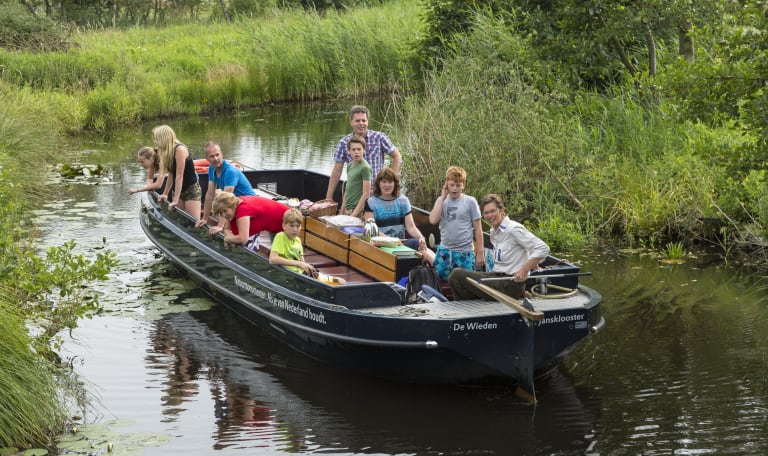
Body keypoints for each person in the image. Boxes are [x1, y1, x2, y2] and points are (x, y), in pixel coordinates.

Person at [448, 194, 550, 301]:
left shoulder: (513, 229)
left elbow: (542, 248)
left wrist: (524, 270)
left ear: (502, 210)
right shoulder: (494, 231)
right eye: (486, 213)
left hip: (510, 284)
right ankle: (470, 308)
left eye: (493, 211)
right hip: (498, 278)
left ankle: (468, 309)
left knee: (457, 275)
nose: (490, 215)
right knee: (460, 279)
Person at [325, 105, 402, 201]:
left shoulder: (379, 138)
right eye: (357, 121)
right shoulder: (343, 143)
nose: (361, 123)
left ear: (367, 122)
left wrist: (390, 181)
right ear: (351, 122)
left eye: (364, 120)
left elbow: (397, 156)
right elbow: (337, 171)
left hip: (377, 192)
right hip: (355, 193)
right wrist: (329, 197)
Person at [364, 167, 435, 265]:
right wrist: (393, 241)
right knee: (417, 245)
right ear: (379, 184)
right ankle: (442, 271)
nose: (387, 185)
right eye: (384, 182)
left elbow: (411, 227)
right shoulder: (371, 202)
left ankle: (439, 270)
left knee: (421, 245)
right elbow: (373, 231)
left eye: (390, 182)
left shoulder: (403, 201)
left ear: (395, 184)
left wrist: (421, 237)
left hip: (401, 244)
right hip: (381, 246)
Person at [428, 166, 485, 280]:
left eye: (458, 185)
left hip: (465, 253)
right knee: (438, 280)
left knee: (465, 283)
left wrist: (480, 252)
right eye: (452, 185)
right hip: (445, 252)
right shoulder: (441, 201)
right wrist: (442, 198)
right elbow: (433, 220)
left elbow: (478, 229)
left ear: (463, 185)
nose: (454, 189)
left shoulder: (470, 202)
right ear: (446, 185)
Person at [195, 141, 256, 229]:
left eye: (217, 155)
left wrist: (220, 226)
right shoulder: (212, 168)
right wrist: (205, 218)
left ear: (222, 154)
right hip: (235, 204)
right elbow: (210, 194)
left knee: (223, 215)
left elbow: (226, 201)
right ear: (207, 159)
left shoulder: (229, 171)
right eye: (212, 156)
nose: (215, 159)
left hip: (248, 205)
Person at [209, 190, 288, 251]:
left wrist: (227, 239)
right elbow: (227, 228)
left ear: (232, 205)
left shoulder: (243, 211)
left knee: (282, 256)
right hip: (273, 224)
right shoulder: (235, 206)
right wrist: (231, 237)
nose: (223, 215)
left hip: (286, 222)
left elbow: (243, 239)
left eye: (225, 211)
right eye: (220, 213)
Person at [153, 125, 202, 221]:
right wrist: (165, 193)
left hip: (191, 189)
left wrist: (175, 200)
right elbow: (171, 174)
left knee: (193, 222)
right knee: (180, 221)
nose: (155, 141)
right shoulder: (167, 151)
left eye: (156, 139)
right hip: (177, 190)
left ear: (163, 138)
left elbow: (179, 176)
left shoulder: (180, 150)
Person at [269, 208, 317, 277]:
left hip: (300, 274)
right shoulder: (281, 236)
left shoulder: (298, 240)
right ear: (284, 226)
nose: (295, 229)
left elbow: (302, 262)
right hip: (287, 275)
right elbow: (272, 259)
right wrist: (297, 263)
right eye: (291, 226)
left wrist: (308, 268)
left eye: (298, 226)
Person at [339, 135, 371, 218]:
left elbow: (366, 194)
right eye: (353, 149)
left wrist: (354, 214)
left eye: (359, 149)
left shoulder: (365, 168)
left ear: (364, 150)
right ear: (349, 151)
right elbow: (348, 189)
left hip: (357, 211)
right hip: (347, 209)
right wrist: (342, 210)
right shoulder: (350, 165)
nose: (356, 152)